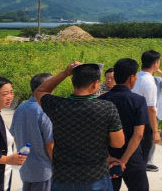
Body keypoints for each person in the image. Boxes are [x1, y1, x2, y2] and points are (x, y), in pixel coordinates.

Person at [35, 62, 125, 191]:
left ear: (72, 81)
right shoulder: (106, 108)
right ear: (95, 84)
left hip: (63, 177)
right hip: (96, 176)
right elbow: (118, 143)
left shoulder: (57, 105)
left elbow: (40, 91)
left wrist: (65, 73)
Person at [99, 58, 149, 191]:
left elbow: (97, 135)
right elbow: (138, 135)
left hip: (107, 158)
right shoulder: (138, 101)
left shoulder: (101, 100)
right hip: (132, 157)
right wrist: (123, 162)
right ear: (132, 78)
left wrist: (109, 158)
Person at [11, 73, 55, 191]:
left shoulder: (20, 108)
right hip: (43, 170)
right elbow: (50, 144)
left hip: (26, 168)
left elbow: (14, 136)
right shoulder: (44, 110)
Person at [131, 50, 161, 170]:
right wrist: (155, 131)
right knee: (143, 152)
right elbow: (151, 109)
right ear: (155, 64)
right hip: (144, 122)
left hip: (132, 118)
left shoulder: (135, 77)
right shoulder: (149, 82)